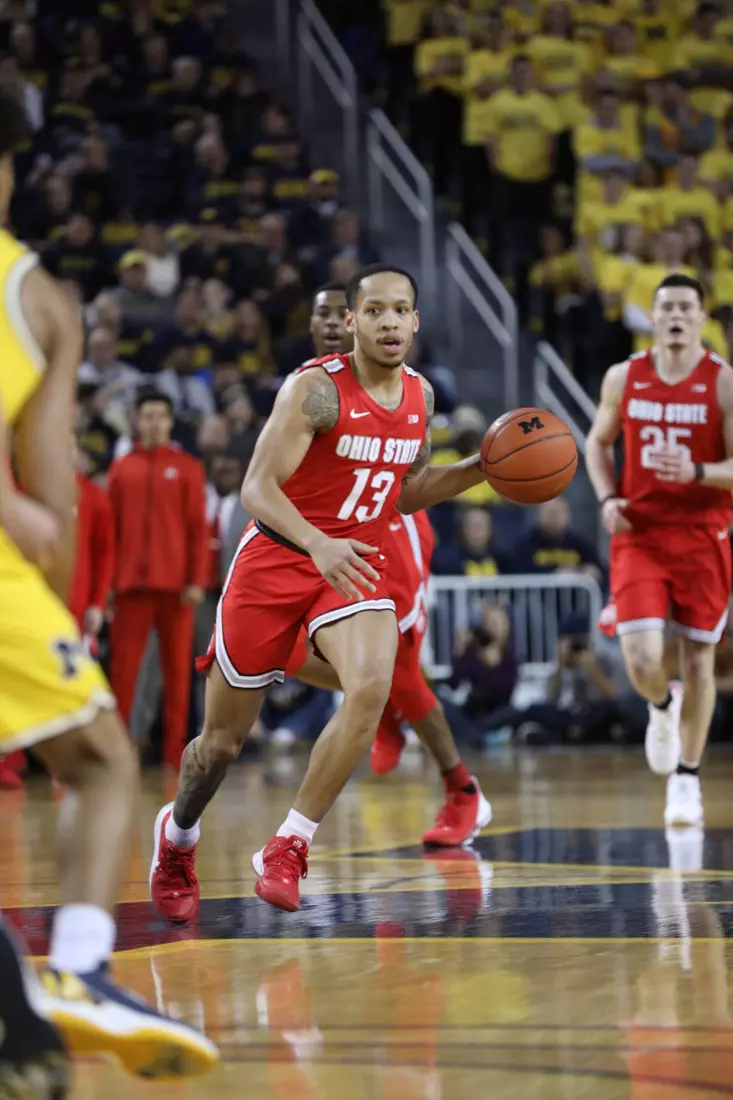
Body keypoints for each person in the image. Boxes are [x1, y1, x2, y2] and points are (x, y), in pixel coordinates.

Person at [150, 262, 491, 920]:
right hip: (277, 561)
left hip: (354, 564)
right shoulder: (316, 392)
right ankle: (178, 839)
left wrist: (478, 469)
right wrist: (317, 542)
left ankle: (288, 846)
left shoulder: (419, 397)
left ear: (415, 321)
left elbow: (403, 490)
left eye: (400, 310)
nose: (388, 321)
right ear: (352, 323)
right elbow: (256, 489)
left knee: (372, 685)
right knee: (219, 746)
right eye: (374, 311)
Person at [0, 81, 217, 1087]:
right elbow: (48, 509)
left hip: (135, 593)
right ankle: (77, 968)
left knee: (108, 743)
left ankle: (33, 989)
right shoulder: (38, 298)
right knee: (97, 759)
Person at [284, 282, 492, 837]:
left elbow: (413, 480)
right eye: (321, 314)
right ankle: (379, 708)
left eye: (340, 314)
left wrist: (476, 463)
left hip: (392, 535)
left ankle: (462, 790)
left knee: (399, 668)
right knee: (277, 650)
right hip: (323, 537)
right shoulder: (308, 385)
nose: (331, 323)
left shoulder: (401, 385)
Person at [585, 272, 733, 830]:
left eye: (685, 307)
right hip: (640, 533)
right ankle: (660, 706)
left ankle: (687, 781)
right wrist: (606, 496)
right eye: (666, 305)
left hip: (703, 534)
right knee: (643, 660)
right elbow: (596, 442)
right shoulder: (624, 377)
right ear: (654, 314)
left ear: (701, 317)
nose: (675, 314)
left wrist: (698, 471)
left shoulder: (723, 383)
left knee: (699, 660)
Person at [108, 388, 208, 771]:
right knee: (123, 672)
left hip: (177, 588)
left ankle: (174, 754)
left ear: (169, 421)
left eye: (159, 416)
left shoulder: (187, 468)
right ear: (137, 421)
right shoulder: (123, 468)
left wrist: (197, 579)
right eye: (146, 416)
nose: (153, 423)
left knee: (178, 674)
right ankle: (116, 753)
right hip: (131, 585)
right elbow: (111, 531)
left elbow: (197, 529)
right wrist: (109, 587)